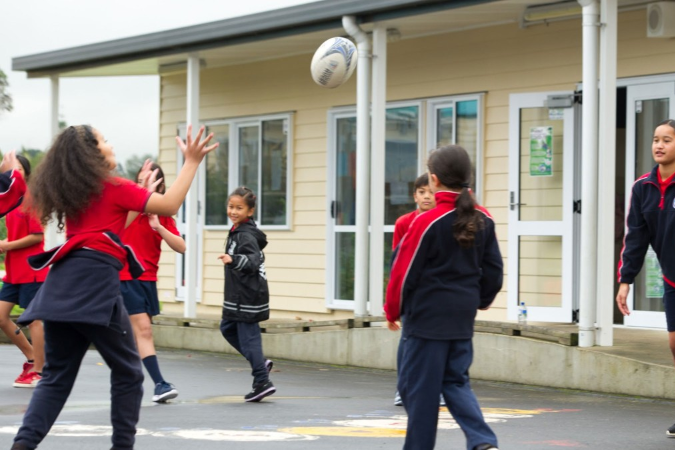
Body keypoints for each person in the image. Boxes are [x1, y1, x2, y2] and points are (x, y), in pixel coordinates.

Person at [10, 124, 217, 450]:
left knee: (55, 378)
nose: (110, 144)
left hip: (62, 285)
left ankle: (22, 445)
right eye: (104, 141)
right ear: (93, 154)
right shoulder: (113, 185)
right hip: (95, 287)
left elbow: (114, 223)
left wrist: (140, 193)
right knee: (129, 375)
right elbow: (171, 204)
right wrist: (191, 161)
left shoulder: (75, 193)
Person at [385, 145, 502, 450]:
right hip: (462, 317)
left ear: (434, 180)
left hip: (426, 319)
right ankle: (482, 440)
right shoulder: (484, 219)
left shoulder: (425, 222)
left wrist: (392, 311)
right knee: (455, 381)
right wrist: (479, 301)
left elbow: (402, 272)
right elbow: (494, 271)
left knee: (417, 391)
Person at [616, 118, 675, 438]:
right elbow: (635, 238)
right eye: (656, 139)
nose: (659, 145)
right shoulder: (643, 188)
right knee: (674, 343)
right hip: (672, 279)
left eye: (667, 139)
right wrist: (626, 281)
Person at [120, 162, 185, 403]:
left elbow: (181, 246)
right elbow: (120, 226)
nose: (145, 185)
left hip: (147, 280)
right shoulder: (127, 207)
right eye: (141, 181)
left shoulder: (161, 214)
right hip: (124, 276)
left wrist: (158, 226)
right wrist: (140, 197)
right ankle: (159, 383)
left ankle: (130, 380)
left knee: (134, 333)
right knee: (143, 330)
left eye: (151, 181)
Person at [217, 186, 275, 402]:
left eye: (239, 208)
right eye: (231, 207)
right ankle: (260, 362)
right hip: (238, 296)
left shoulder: (246, 235)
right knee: (227, 328)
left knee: (249, 338)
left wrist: (234, 260)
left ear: (250, 211)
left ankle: (262, 381)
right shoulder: (237, 231)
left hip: (248, 297)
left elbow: (254, 260)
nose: (233, 211)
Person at [391, 172, 441, 407]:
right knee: (408, 338)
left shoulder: (443, 219)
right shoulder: (404, 223)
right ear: (414, 196)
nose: (427, 197)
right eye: (422, 192)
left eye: (431, 192)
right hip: (412, 291)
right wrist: (393, 301)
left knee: (437, 342)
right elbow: (397, 262)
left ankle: (437, 389)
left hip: (437, 291)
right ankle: (404, 387)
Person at [0, 154, 47, 388]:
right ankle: (32, 358)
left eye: (18, 168)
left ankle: (40, 371)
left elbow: (37, 236)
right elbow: (19, 234)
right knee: (0, 316)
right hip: (13, 271)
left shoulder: (32, 198)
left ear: (26, 174)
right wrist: (5, 243)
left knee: (34, 320)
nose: (12, 171)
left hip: (32, 270)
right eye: (10, 167)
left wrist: (6, 245)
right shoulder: (10, 201)